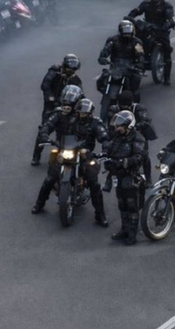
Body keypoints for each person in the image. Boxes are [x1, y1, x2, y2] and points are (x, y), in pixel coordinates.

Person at [32, 85, 109, 225]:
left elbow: (103, 136)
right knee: (50, 178)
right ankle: (39, 204)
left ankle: (100, 215)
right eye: (65, 103)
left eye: (70, 104)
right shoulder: (60, 115)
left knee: (94, 183)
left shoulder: (91, 120)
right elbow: (47, 125)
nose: (67, 107)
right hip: (63, 149)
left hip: (84, 153)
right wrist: (44, 136)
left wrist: (105, 148)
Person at [104, 110, 146, 245]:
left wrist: (124, 162)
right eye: (116, 126)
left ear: (128, 126)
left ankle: (132, 234)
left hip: (131, 175)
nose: (117, 128)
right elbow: (109, 148)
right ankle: (124, 229)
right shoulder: (117, 137)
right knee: (122, 203)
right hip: (119, 174)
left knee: (131, 204)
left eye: (120, 126)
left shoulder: (138, 138)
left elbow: (139, 157)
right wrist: (103, 156)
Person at [32, 54, 83, 165]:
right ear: (64, 66)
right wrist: (51, 97)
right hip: (51, 105)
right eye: (70, 68)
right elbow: (45, 85)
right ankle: (36, 156)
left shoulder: (75, 80)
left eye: (74, 69)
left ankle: (72, 153)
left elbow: (80, 93)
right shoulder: (54, 72)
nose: (72, 71)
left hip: (68, 106)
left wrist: (82, 104)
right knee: (44, 128)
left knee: (70, 128)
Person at [107, 91, 156, 184]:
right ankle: (109, 178)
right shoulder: (113, 110)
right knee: (111, 155)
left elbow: (144, 121)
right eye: (122, 106)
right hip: (120, 135)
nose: (124, 108)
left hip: (138, 134)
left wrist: (133, 127)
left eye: (127, 106)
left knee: (144, 156)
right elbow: (110, 126)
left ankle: (148, 178)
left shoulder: (140, 108)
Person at [126, 0, 175, 84]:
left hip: (161, 29)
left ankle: (167, 77)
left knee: (167, 50)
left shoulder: (166, 6)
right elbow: (136, 11)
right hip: (147, 28)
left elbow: (172, 19)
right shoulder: (146, 4)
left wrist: (166, 26)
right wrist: (130, 17)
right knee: (135, 42)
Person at [98, 20, 145, 102]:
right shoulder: (113, 40)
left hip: (130, 68)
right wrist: (103, 58)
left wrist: (140, 64)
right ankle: (105, 94)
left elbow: (140, 54)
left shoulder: (136, 42)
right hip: (115, 67)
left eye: (129, 31)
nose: (127, 34)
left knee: (135, 85)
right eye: (125, 31)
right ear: (120, 31)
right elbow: (106, 50)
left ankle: (134, 104)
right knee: (101, 80)